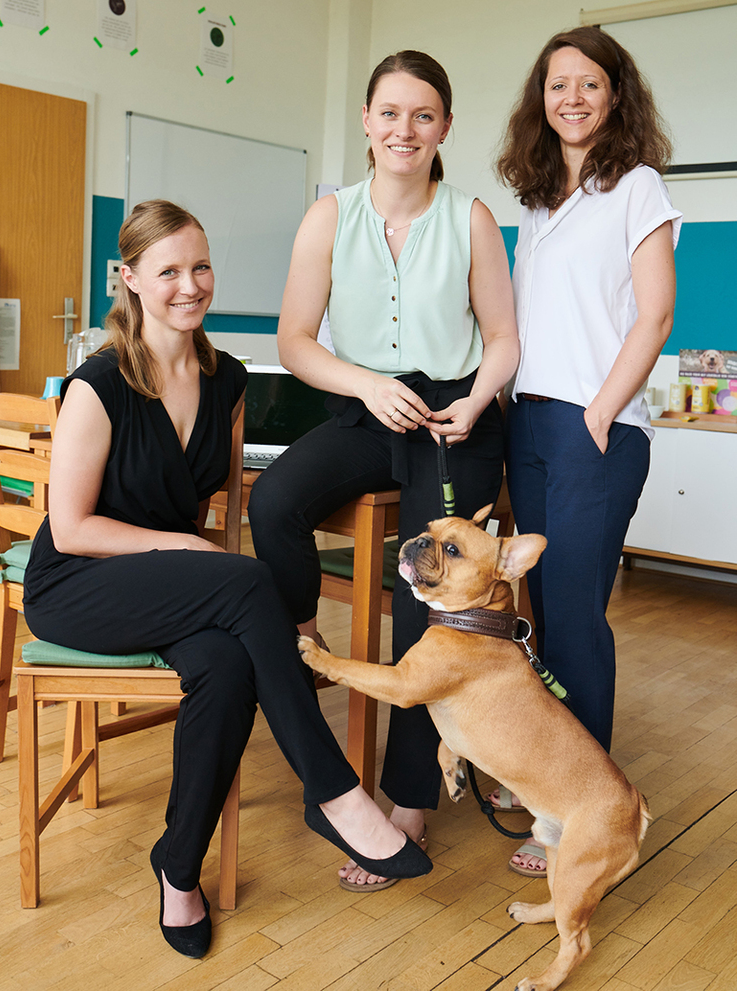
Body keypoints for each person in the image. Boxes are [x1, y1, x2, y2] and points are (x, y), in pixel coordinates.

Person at [22, 200, 432, 958]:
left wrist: (207, 560)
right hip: (75, 585)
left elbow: (233, 509)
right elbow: (72, 527)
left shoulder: (227, 379)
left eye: (200, 266)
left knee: (227, 661)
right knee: (245, 582)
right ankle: (335, 792)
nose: (189, 284)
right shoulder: (99, 382)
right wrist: (191, 551)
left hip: (167, 583)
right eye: (168, 269)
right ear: (131, 279)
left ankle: (177, 868)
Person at [248, 52, 519, 890]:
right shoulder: (328, 217)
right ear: (366, 121)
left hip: (455, 420)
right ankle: (300, 636)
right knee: (278, 499)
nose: (405, 130)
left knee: (425, 598)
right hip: (368, 406)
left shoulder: (470, 217)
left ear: (443, 127)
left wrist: (475, 401)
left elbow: (503, 338)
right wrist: (367, 383)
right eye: (390, 113)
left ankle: (409, 800)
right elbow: (296, 340)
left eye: (423, 115)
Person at [494, 26, 681, 876]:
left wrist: (602, 410)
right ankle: (548, 775)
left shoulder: (635, 185)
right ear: (541, 98)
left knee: (572, 618)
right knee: (535, 615)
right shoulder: (536, 199)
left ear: (615, 96)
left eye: (588, 85)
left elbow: (652, 314)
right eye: (555, 84)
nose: (570, 97)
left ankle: (584, 811)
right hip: (528, 420)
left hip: (590, 426)